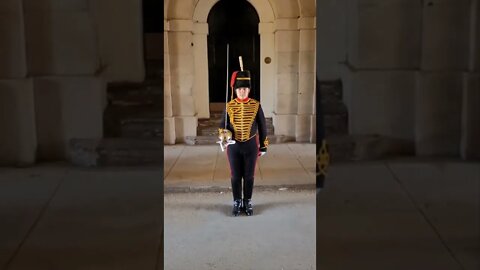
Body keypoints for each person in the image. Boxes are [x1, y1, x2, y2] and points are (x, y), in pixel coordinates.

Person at [218, 70, 268, 216]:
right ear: (235, 89)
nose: (242, 91)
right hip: (234, 147)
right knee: (235, 175)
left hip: (251, 145)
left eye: (245, 89)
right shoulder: (229, 106)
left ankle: (247, 201)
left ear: (249, 90)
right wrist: (224, 137)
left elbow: (263, 126)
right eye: (239, 89)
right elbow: (222, 126)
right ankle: (236, 201)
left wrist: (263, 145)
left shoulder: (256, 105)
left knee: (249, 176)